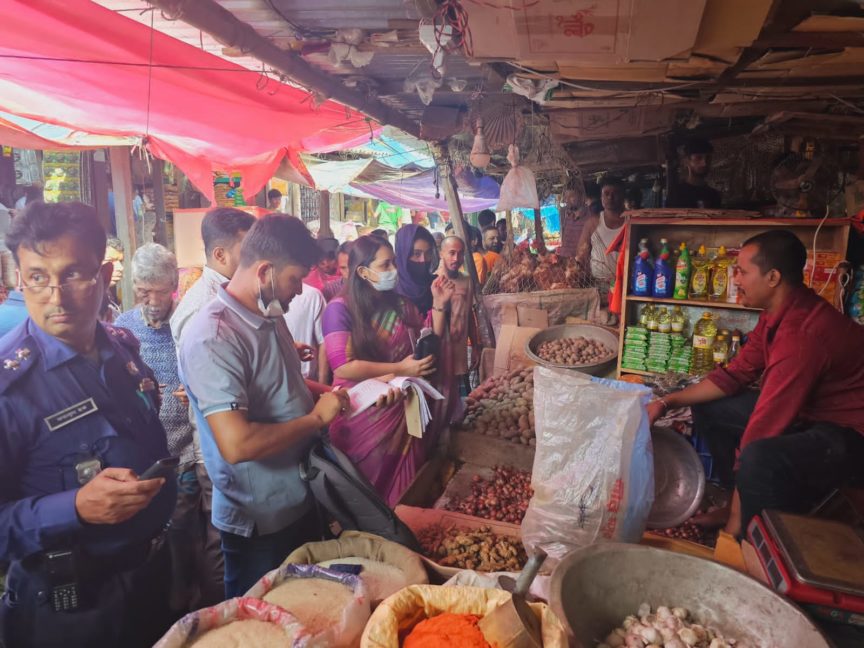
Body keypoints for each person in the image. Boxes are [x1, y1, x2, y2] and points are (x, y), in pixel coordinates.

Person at [0, 202, 176, 647]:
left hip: (150, 580)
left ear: (103, 274)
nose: (55, 297)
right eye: (37, 277)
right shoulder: (9, 386)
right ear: (20, 278)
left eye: (73, 273)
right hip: (69, 611)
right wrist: (74, 507)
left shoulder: (122, 348)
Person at [179, 215, 353, 598]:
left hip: (300, 497)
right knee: (261, 621)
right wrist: (313, 419)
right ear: (264, 271)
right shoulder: (213, 335)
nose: (299, 290)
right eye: (294, 279)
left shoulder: (269, 313)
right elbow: (236, 444)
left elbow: (284, 384)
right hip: (260, 522)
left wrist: (336, 395)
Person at [647, 230, 864, 537]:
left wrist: (734, 522)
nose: (735, 279)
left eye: (742, 272)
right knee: (710, 407)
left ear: (773, 277)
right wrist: (666, 402)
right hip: (813, 416)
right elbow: (735, 374)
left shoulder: (800, 337)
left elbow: (765, 426)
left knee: (758, 457)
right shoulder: (777, 313)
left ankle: (748, 536)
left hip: (849, 435)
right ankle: (736, 502)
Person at [114, 244, 218, 611]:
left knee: (186, 532)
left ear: (174, 285)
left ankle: (189, 603)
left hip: (186, 453)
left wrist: (196, 392)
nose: (152, 298)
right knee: (157, 537)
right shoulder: (122, 330)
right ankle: (166, 605)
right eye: (144, 289)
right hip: (144, 459)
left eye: (159, 289)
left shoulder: (189, 323)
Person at [322, 235, 454, 505]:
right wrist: (399, 368)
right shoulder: (339, 309)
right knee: (367, 500)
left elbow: (426, 342)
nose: (393, 270)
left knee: (407, 494)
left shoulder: (400, 304)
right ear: (362, 271)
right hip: (361, 413)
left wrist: (439, 304)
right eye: (385, 265)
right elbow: (344, 367)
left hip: (402, 407)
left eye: (394, 263)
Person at [169, 206, 255, 604]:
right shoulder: (200, 308)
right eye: (248, 248)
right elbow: (206, 383)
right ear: (220, 255)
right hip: (217, 447)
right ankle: (220, 613)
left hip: (238, 435)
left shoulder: (230, 296)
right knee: (223, 537)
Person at [438, 235, 480, 397]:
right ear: (441, 253)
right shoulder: (435, 281)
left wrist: (475, 346)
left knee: (463, 400)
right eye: (452, 253)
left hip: (461, 353)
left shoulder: (466, 281)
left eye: (460, 253)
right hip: (440, 354)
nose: (456, 258)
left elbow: (469, 314)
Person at [587, 177, 626, 288]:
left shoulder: (632, 221)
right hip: (599, 284)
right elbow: (582, 253)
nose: (610, 197)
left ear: (623, 196)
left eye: (615, 193)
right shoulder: (592, 223)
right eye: (606, 193)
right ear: (601, 197)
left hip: (626, 283)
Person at [284, 282, 327, 382]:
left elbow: (324, 341)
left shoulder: (312, 295)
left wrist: (322, 383)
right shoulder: (258, 302)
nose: (299, 290)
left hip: (309, 380)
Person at [395, 224, 437, 316]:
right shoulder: (390, 292)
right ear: (403, 254)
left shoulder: (436, 285)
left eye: (428, 253)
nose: (423, 260)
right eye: (416, 254)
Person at [668, 139, 722, 209]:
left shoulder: (713, 195)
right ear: (687, 161)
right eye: (698, 158)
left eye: (708, 158)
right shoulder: (676, 194)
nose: (704, 163)